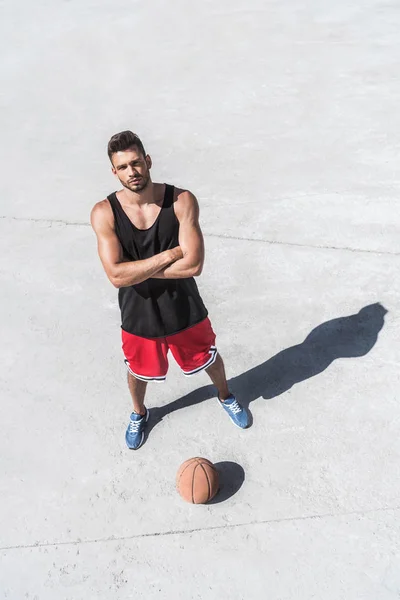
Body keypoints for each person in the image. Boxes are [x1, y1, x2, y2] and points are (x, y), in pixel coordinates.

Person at [90, 130, 249, 449]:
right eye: (122, 167)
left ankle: (225, 395)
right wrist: (168, 254)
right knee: (137, 372)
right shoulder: (104, 213)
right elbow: (116, 277)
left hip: (184, 306)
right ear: (114, 172)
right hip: (138, 313)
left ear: (147, 161)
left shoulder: (181, 200)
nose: (131, 172)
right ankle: (139, 413)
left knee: (209, 357)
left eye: (136, 163)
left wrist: (137, 269)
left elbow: (193, 266)